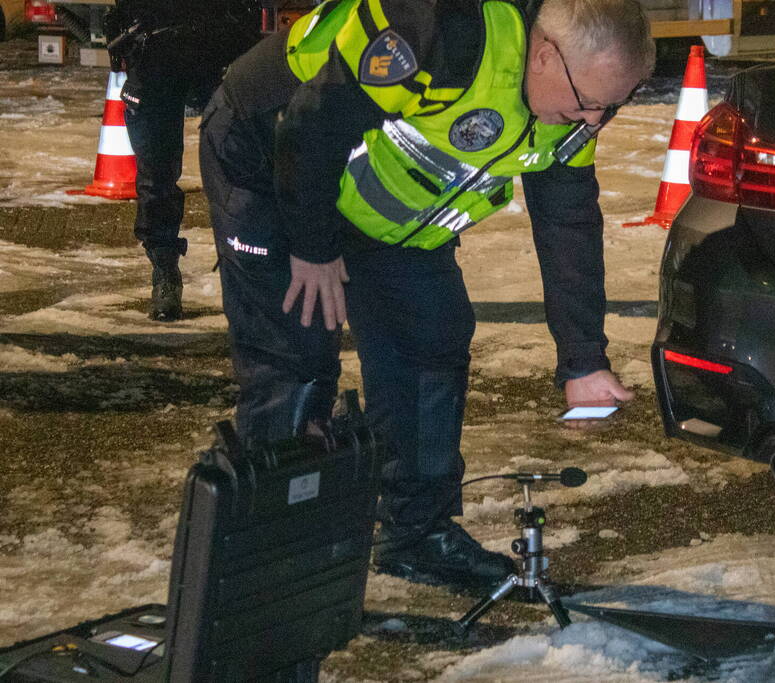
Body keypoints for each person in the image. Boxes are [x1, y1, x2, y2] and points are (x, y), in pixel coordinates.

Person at [199, 0, 654, 590]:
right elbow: (311, 126)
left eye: (613, 108)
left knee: (429, 342)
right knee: (296, 358)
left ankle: (417, 536)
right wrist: (312, 249)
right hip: (270, 152)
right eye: (591, 103)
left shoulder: (574, 105)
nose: (594, 122)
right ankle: (275, 562)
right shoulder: (440, 30)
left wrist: (583, 358)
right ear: (545, 56)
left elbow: (568, 220)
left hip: (381, 201)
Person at [103, 0, 263, 321]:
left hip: (219, 47)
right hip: (154, 53)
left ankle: (250, 275)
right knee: (156, 176)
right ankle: (165, 273)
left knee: (241, 171)